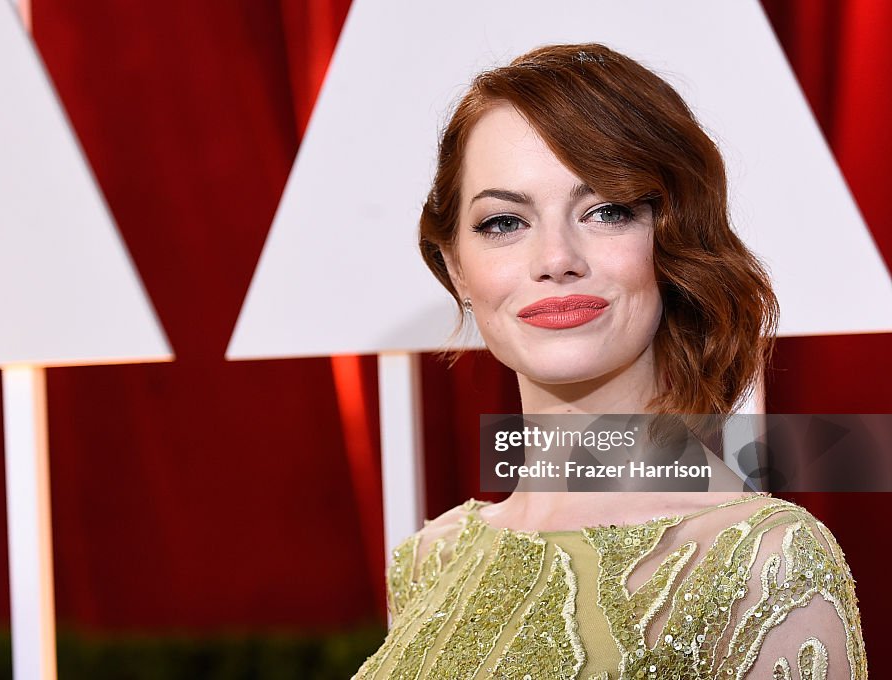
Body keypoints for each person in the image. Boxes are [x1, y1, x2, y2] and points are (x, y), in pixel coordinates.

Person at [354, 44, 867, 679]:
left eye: (607, 211)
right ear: (456, 266)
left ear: (672, 239)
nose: (556, 257)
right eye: (503, 222)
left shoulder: (766, 560)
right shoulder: (430, 559)